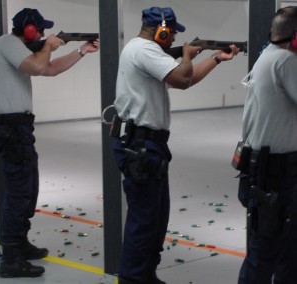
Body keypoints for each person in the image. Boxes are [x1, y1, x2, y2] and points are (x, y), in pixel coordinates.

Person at [110, 6, 239, 284]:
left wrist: (216, 58)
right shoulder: (144, 50)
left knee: (155, 219)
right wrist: (188, 56)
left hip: (149, 145)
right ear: (162, 30)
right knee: (144, 219)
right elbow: (182, 79)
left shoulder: (149, 52)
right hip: (141, 145)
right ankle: (132, 279)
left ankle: (145, 273)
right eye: (171, 35)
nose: (172, 41)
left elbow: (187, 79)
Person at [0, 8, 99, 278]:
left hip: (19, 128)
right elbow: (38, 65)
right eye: (39, 30)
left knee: (28, 188)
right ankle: (10, 258)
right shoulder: (7, 43)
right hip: (10, 128)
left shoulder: (22, 50)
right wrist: (50, 46)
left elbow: (50, 69)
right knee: (18, 193)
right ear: (30, 30)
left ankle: (20, 244)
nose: (42, 35)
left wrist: (81, 52)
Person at [236, 6, 297, 284]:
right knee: (267, 252)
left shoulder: (267, 56)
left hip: (265, 168)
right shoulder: (285, 61)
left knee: (285, 249)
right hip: (277, 173)